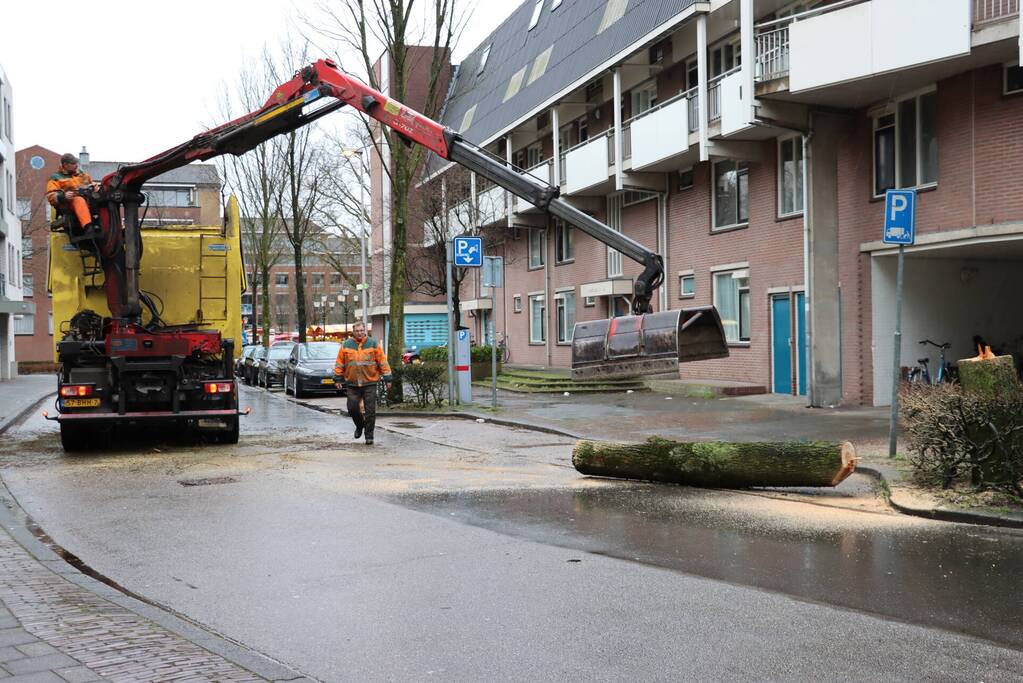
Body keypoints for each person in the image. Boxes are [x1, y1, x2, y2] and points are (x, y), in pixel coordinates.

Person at [334, 321, 391, 445]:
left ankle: (369, 436)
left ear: (365, 331)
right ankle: (360, 425)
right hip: (352, 383)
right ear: (353, 332)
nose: (359, 333)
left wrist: (388, 378)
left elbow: (382, 362)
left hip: (369, 382)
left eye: (361, 330)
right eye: (357, 331)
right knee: (352, 408)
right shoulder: (346, 345)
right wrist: (337, 378)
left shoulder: (373, 344)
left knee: (370, 411)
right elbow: (339, 363)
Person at [45, 153, 96, 232]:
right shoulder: (56, 178)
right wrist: (63, 196)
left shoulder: (83, 175)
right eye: (73, 163)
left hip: (88, 201)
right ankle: (88, 227)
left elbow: (94, 186)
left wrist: (96, 189)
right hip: (69, 205)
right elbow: (51, 195)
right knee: (78, 200)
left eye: (76, 163)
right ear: (65, 165)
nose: (76, 165)